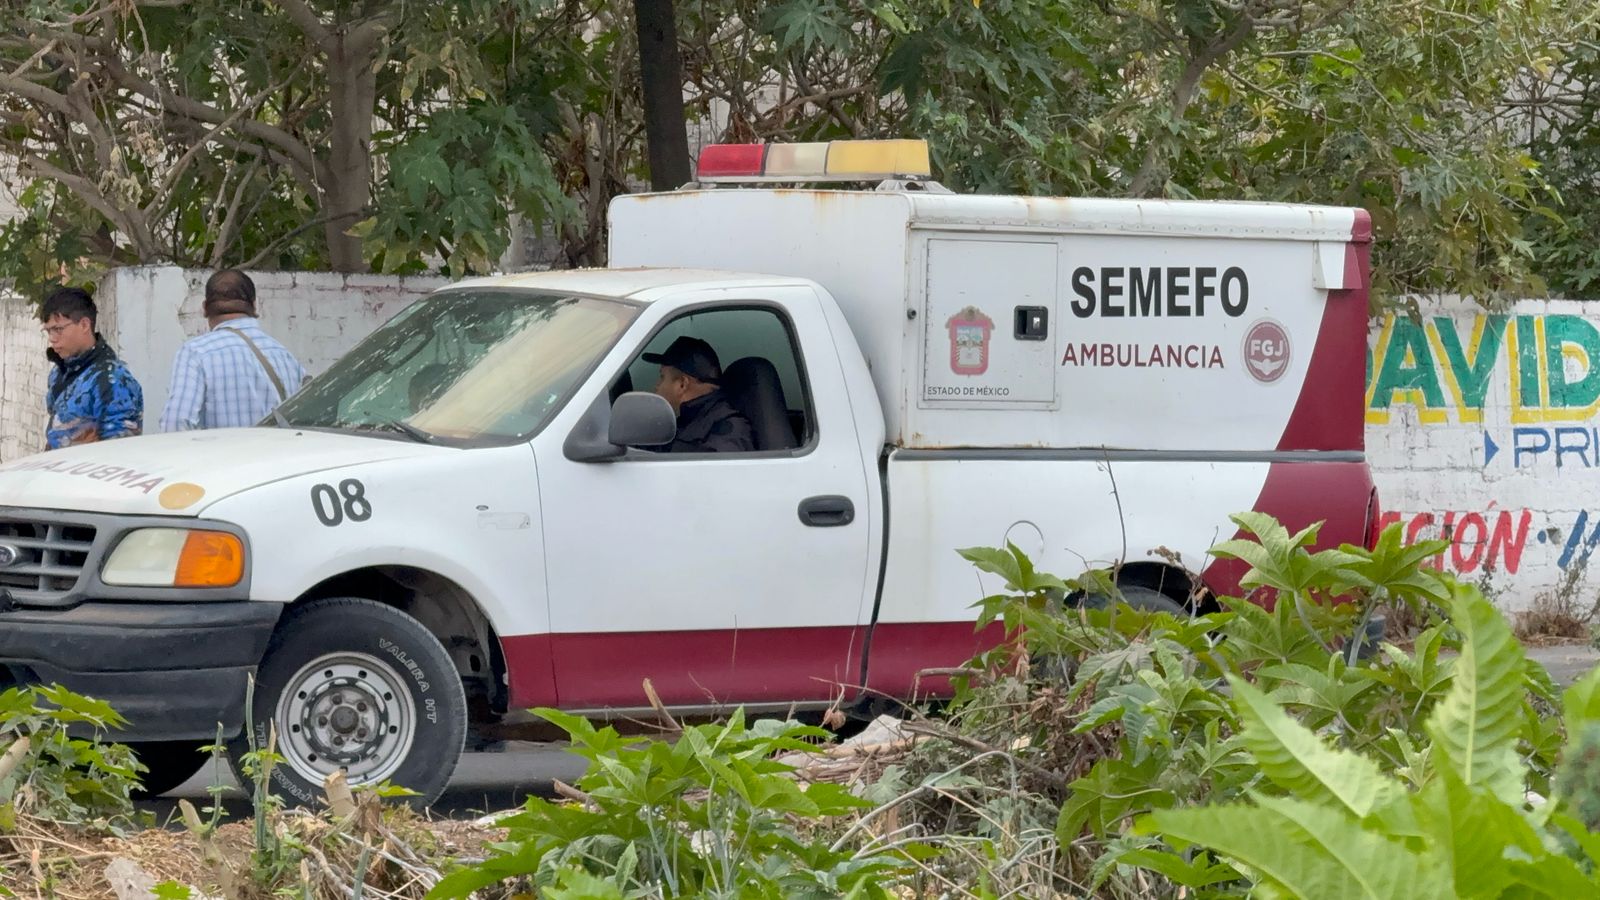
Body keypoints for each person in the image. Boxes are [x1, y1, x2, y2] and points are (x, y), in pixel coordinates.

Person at [160, 269, 306, 431]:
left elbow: (176, 423)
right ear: (254, 305)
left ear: (204, 308)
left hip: (222, 456)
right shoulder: (284, 356)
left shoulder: (196, 353)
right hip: (280, 455)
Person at [39, 287, 144, 450]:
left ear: (84, 325)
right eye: (48, 331)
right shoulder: (58, 373)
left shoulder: (113, 380)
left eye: (58, 329)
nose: (52, 339)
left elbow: (121, 452)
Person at [644, 336, 755, 453]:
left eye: (662, 377)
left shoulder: (729, 429)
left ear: (682, 384)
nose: (656, 386)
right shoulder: (686, 422)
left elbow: (717, 470)